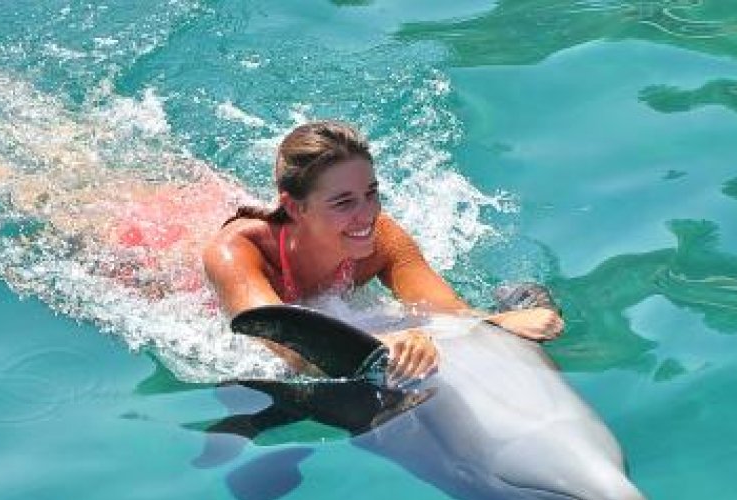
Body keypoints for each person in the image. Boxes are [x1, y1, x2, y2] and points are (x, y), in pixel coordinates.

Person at [202, 120, 564, 384]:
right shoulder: (236, 251)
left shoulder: (383, 239)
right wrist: (384, 345)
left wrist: (496, 323)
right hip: (163, 247)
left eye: (371, 193)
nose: (368, 214)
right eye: (344, 202)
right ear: (295, 208)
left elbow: (445, 312)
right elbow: (285, 345)